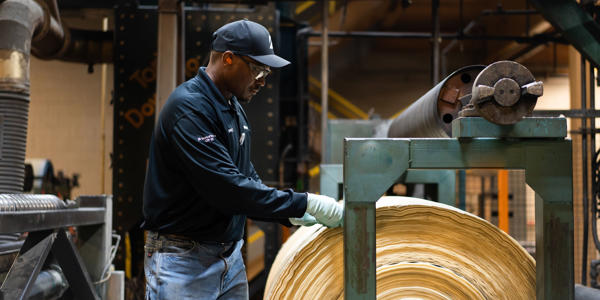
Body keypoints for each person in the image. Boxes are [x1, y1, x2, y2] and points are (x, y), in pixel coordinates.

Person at [141, 19, 343, 300]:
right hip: (183, 260)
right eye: (258, 69)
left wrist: (289, 214)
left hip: (229, 257)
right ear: (228, 59)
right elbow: (228, 189)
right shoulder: (189, 108)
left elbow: (246, 178)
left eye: (267, 72)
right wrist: (304, 202)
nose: (263, 80)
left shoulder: (232, 107)